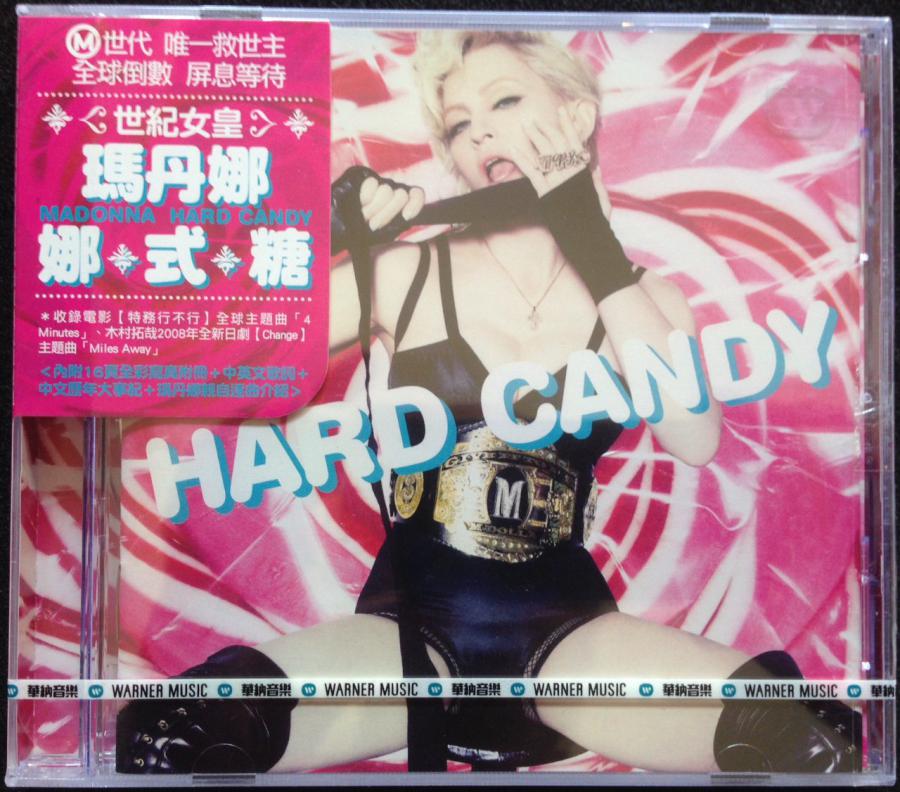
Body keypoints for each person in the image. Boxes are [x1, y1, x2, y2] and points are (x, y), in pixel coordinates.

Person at [117, 30, 860, 775]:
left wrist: (589, 238)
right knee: (181, 733)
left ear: (576, 115)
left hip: (570, 639)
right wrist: (321, 237)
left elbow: (693, 435)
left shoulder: (646, 297)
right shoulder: (405, 272)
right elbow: (203, 351)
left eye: (504, 101)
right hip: (408, 633)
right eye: (459, 125)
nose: (481, 134)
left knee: (809, 738)